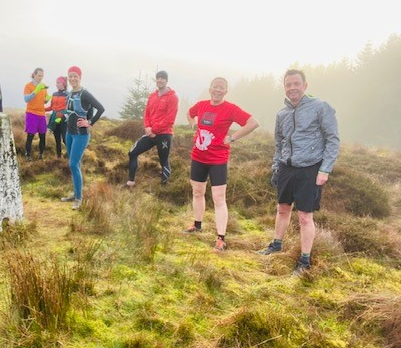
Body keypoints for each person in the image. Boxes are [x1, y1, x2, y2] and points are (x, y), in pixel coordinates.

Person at [258, 69, 340, 275]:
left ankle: (304, 260)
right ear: (284, 87)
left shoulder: (321, 107)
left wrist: (325, 169)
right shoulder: (282, 113)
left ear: (305, 85)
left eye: (296, 84)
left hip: (310, 168)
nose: (292, 88)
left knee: (305, 216)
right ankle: (276, 245)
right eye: (288, 84)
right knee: (282, 209)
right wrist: (276, 167)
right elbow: (279, 143)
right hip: (287, 167)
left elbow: (333, 139)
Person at [185, 77, 259, 251]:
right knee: (197, 192)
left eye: (221, 88)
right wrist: (193, 125)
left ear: (226, 91)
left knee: (218, 198)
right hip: (198, 156)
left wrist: (232, 137)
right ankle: (197, 225)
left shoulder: (230, 109)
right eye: (215, 87)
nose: (218, 90)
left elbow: (253, 123)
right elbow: (189, 113)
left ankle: (221, 238)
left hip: (217, 159)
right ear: (210, 88)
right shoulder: (202, 105)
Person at [60, 66, 105, 210]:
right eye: (70, 76)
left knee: (73, 164)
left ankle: (79, 199)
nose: (73, 79)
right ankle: (76, 193)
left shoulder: (85, 93)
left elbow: (100, 108)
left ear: (80, 77)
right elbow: (82, 110)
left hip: (81, 135)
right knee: (75, 165)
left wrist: (89, 122)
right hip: (69, 133)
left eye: (75, 76)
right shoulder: (69, 93)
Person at [126, 70, 179, 187]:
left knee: (163, 160)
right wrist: (148, 128)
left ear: (166, 80)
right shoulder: (152, 96)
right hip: (150, 133)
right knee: (132, 152)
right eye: (158, 78)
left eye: (162, 78)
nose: (159, 80)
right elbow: (147, 114)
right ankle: (130, 182)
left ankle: (164, 186)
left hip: (164, 134)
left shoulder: (173, 98)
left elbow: (170, 119)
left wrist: (154, 129)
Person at [23, 67, 50, 160]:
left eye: (42, 76)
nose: (40, 78)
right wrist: (36, 90)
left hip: (42, 114)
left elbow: (44, 101)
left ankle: (41, 155)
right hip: (31, 113)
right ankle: (28, 155)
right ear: (34, 75)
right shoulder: (28, 86)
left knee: (42, 135)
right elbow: (26, 99)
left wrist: (48, 99)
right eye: (39, 75)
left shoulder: (44, 86)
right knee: (30, 135)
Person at [45, 76, 69, 158]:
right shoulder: (54, 94)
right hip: (54, 118)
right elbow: (51, 107)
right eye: (57, 83)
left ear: (64, 84)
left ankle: (71, 156)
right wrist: (41, 109)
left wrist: (62, 115)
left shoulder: (68, 95)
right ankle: (59, 157)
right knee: (57, 139)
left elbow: (69, 108)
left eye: (59, 83)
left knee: (65, 139)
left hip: (63, 119)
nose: (57, 84)